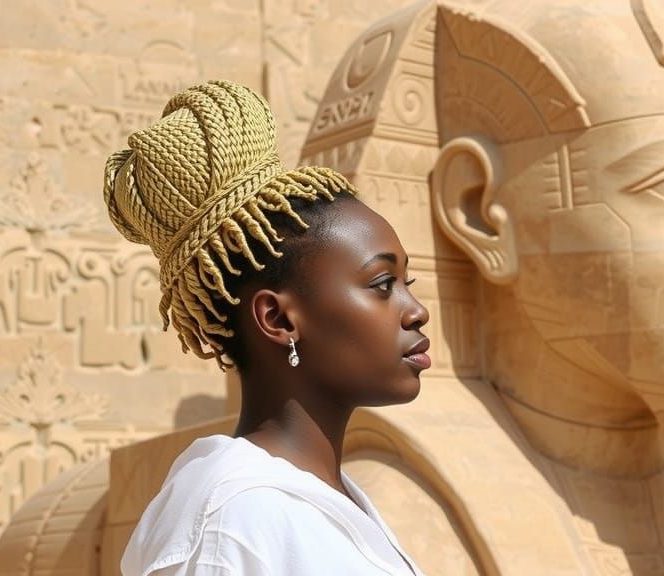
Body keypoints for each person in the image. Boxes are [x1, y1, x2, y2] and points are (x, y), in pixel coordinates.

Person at [109, 80, 429, 576]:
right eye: (383, 284)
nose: (416, 311)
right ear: (278, 319)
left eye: (408, 282)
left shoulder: (313, 499)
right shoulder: (234, 522)